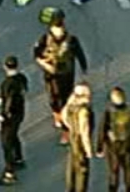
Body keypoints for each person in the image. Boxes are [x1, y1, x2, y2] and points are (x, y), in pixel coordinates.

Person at [33, 11, 88, 142]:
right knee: (53, 99)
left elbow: (79, 53)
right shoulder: (44, 40)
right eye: (57, 28)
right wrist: (44, 63)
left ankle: (65, 128)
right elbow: (36, 54)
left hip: (67, 74)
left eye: (61, 28)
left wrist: (83, 65)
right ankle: (57, 115)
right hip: (51, 75)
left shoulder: (71, 40)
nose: (60, 31)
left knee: (64, 100)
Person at [97, 86, 130, 191]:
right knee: (128, 170)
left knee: (114, 171)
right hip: (128, 144)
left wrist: (99, 147)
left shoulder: (109, 112)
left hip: (113, 146)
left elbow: (102, 129)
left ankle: (113, 189)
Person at [0, 55, 28, 186]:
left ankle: (9, 172)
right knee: (14, 136)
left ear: (5, 67)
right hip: (20, 113)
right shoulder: (22, 78)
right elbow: (18, 95)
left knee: (6, 142)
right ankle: (19, 158)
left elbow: (10, 100)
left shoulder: (7, 83)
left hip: (10, 116)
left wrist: (1, 116)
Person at [61, 83, 97, 192]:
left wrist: (71, 127)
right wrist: (89, 150)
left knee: (71, 168)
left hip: (73, 140)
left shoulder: (70, 106)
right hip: (80, 144)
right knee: (82, 172)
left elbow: (64, 117)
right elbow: (84, 132)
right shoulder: (84, 111)